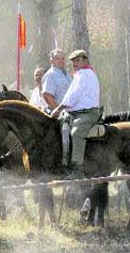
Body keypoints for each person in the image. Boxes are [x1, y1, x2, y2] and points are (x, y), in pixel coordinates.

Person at [51, 49, 101, 179]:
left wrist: (59, 108)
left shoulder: (85, 75)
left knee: (76, 132)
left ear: (85, 60)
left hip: (88, 113)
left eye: (78, 60)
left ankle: (77, 168)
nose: (75, 63)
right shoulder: (79, 75)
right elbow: (71, 95)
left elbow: (74, 95)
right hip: (76, 113)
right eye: (73, 61)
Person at [42, 49, 72, 114]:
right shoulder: (51, 75)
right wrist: (59, 111)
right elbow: (47, 96)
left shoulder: (67, 74)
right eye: (57, 59)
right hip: (58, 115)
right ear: (52, 60)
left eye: (63, 59)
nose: (61, 61)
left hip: (69, 112)